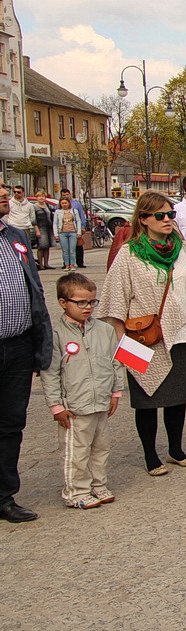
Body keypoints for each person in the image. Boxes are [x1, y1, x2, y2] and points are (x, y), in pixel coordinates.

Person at [98, 192, 186, 476]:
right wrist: (122, 344)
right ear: (143, 219)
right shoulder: (129, 253)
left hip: (185, 334)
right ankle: (150, 455)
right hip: (143, 339)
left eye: (171, 215)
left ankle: (176, 449)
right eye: (160, 216)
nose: (167, 220)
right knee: (147, 399)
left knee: (178, 396)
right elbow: (114, 299)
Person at [43, 273, 123, 508]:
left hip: (101, 400)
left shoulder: (104, 330)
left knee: (101, 447)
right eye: (80, 302)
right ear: (63, 303)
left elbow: (114, 361)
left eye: (91, 302)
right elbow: (50, 372)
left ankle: (98, 484)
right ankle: (76, 491)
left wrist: (115, 392)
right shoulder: (56, 334)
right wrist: (56, 406)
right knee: (76, 451)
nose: (87, 307)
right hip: (74, 405)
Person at [0, 185, 54, 523]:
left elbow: (33, 288)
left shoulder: (15, 236)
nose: (4, 195)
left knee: (10, 424)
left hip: (17, 345)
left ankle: (5, 496)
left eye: (3, 191)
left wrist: (39, 342)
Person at [60, 189, 88, 267]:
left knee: (78, 245)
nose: (65, 196)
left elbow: (81, 215)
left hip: (75, 227)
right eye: (63, 195)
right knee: (66, 247)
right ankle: (66, 263)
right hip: (64, 228)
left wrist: (82, 226)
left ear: (70, 194)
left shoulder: (76, 204)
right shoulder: (60, 204)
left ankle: (80, 262)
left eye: (67, 194)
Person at [54, 196, 80, 270]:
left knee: (72, 250)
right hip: (62, 233)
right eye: (62, 203)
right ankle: (66, 265)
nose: (64, 204)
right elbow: (55, 223)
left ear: (69, 203)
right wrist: (56, 234)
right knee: (65, 250)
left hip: (73, 232)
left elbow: (78, 221)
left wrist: (79, 232)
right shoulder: (57, 212)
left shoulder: (74, 211)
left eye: (66, 203)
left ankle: (72, 264)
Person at [33, 191, 54, 270]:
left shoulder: (47, 205)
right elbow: (33, 219)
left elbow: (51, 216)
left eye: (43, 196)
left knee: (47, 246)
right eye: (39, 196)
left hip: (48, 228)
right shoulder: (34, 206)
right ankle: (40, 264)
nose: (41, 198)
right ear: (36, 198)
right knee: (41, 247)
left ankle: (46, 264)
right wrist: (36, 229)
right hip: (40, 228)